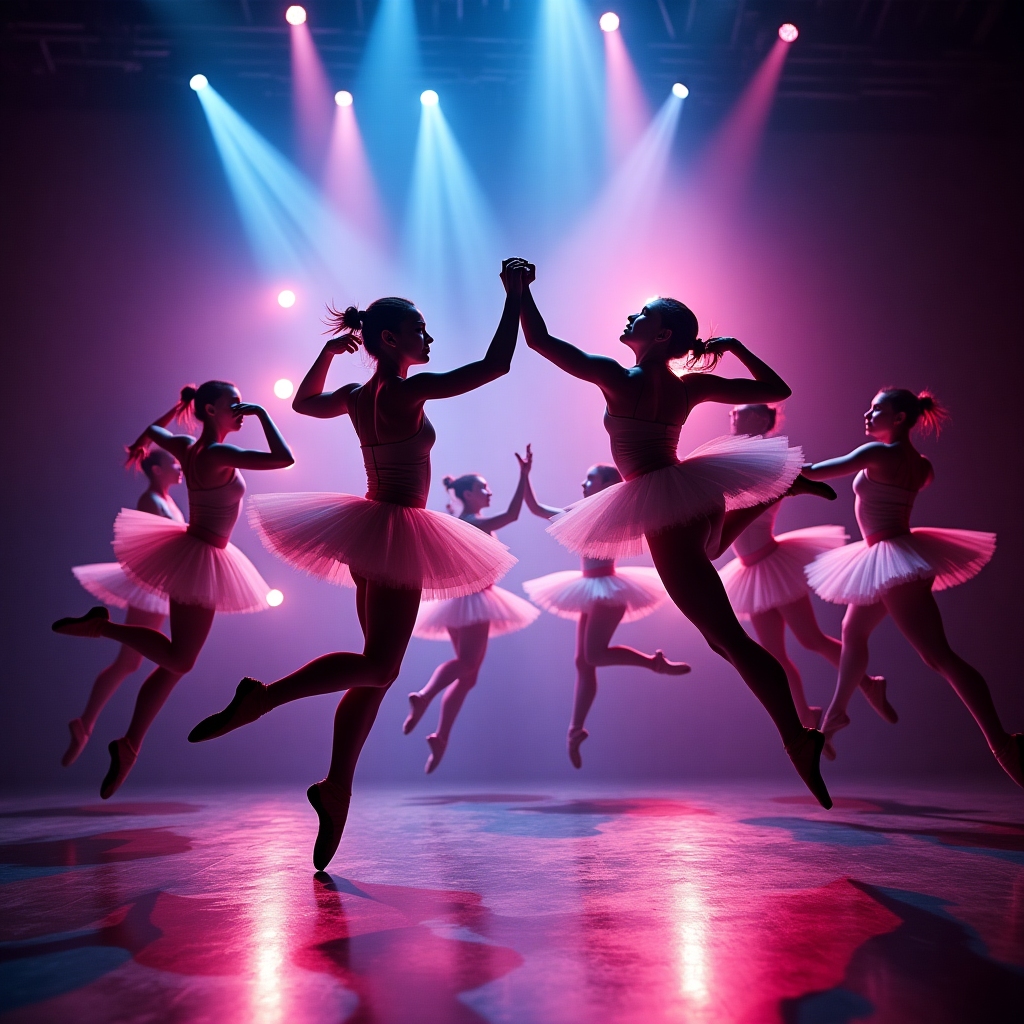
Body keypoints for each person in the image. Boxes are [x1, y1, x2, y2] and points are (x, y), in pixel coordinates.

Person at [189, 259, 530, 870]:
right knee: (379, 664)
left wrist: (327, 353)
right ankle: (264, 698)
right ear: (391, 340)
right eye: (420, 330)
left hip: (371, 531)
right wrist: (515, 295)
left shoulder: (357, 394)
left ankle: (336, 788)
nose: (429, 340)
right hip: (394, 530)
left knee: (374, 673)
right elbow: (496, 366)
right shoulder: (404, 390)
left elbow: (302, 403)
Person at [517, 266, 836, 807]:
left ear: (661, 335)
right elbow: (777, 389)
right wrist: (734, 347)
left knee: (727, 639)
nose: (628, 318)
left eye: (640, 316)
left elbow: (540, 341)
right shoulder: (690, 385)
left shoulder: (620, 377)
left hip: (665, 503)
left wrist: (520, 292)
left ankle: (796, 738)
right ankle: (777, 492)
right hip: (695, 497)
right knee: (708, 562)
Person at [52, 382, 293, 797]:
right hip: (202, 556)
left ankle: (130, 744)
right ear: (212, 409)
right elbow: (283, 458)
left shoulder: (187, 447)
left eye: (241, 404)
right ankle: (103, 629)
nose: (239, 410)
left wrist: (179, 407)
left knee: (176, 662)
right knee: (180, 659)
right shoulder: (216, 453)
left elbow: (150, 429)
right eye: (233, 404)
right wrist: (262, 414)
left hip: (195, 553)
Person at [802, 388, 1021, 785]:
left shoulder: (878, 454)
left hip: (892, 557)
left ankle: (1004, 744)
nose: (867, 414)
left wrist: (776, 467)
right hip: (893, 554)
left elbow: (817, 471)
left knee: (939, 657)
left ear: (900, 417)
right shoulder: (922, 465)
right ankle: (835, 716)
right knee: (853, 631)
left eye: (877, 408)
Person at [718, 404, 897, 731]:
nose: (732, 415)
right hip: (750, 569)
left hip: (773, 564)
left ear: (759, 418)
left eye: (739, 411)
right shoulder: (737, 458)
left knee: (810, 639)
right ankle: (805, 717)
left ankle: (868, 683)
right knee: (773, 654)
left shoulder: (767, 459)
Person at [521, 460, 688, 768]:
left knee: (594, 656)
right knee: (582, 663)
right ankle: (575, 731)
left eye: (590, 479)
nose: (583, 485)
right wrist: (525, 474)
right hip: (588, 589)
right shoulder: (577, 513)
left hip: (609, 592)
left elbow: (650, 508)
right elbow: (534, 508)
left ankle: (654, 663)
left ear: (607, 486)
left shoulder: (617, 514)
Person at [403, 450, 542, 773]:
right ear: (468, 494)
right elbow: (512, 515)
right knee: (466, 665)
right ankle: (424, 696)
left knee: (468, 676)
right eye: (484, 488)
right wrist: (523, 476)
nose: (489, 492)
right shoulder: (474, 522)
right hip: (475, 601)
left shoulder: (462, 518)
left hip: (461, 602)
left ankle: (440, 737)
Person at [62, 450, 185, 766]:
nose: (179, 466)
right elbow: (145, 547)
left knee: (130, 663)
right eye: (173, 463)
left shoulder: (167, 500)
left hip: (162, 584)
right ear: (157, 470)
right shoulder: (150, 501)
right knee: (142, 660)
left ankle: (85, 724)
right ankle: (88, 723)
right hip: (152, 585)